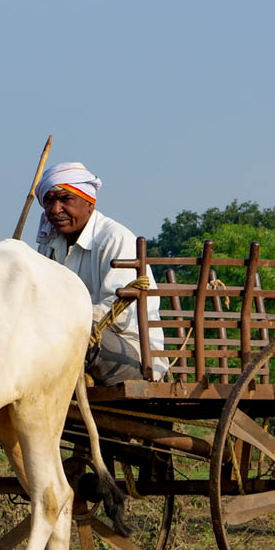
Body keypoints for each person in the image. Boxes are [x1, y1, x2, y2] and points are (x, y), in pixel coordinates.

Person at [34, 161, 166, 383]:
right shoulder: (49, 244)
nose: (55, 209)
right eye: (49, 201)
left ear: (90, 203)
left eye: (66, 199)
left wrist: (59, 320)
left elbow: (119, 314)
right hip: (66, 341)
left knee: (70, 334)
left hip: (131, 353)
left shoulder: (114, 239)